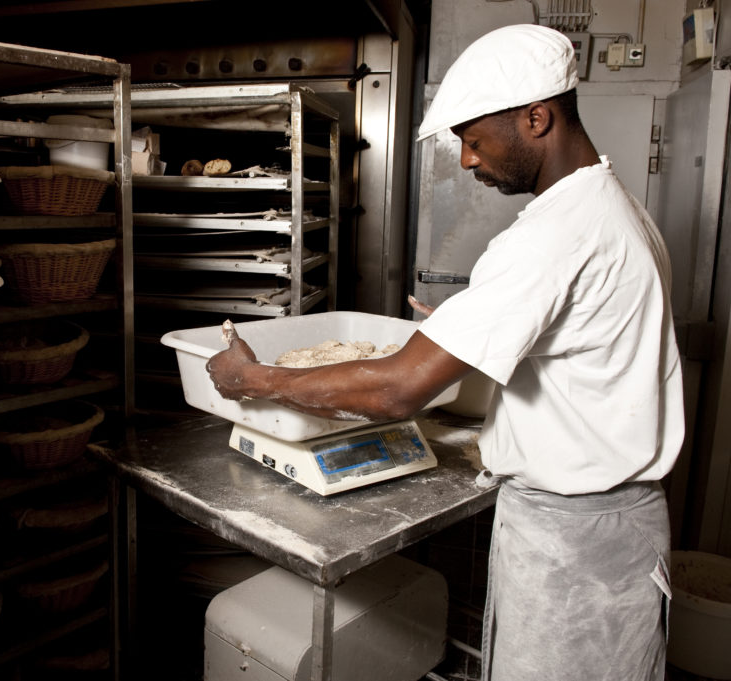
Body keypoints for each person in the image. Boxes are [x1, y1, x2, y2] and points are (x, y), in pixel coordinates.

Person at [205, 24, 684, 681]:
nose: (466, 161)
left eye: (473, 139)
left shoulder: (555, 234)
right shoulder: (619, 210)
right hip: (616, 533)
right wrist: (472, 328)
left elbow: (396, 389)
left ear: (537, 118)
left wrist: (253, 377)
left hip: (576, 552)